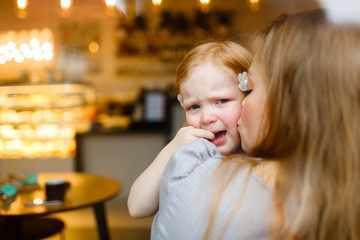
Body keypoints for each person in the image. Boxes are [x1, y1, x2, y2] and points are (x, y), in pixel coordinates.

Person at [151, 9, 360, 240]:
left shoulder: (191, 179)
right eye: (194, 106)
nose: (208, 117)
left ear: (290, 106)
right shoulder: (342, 193)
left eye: (248, 89)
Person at [127, 41, 252, 218]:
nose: (207, 117)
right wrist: (171, 149)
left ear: (248, 97)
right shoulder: (193, 154)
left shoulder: (264, 156)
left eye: (221, 101)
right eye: (194, 107)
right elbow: (136, 207)